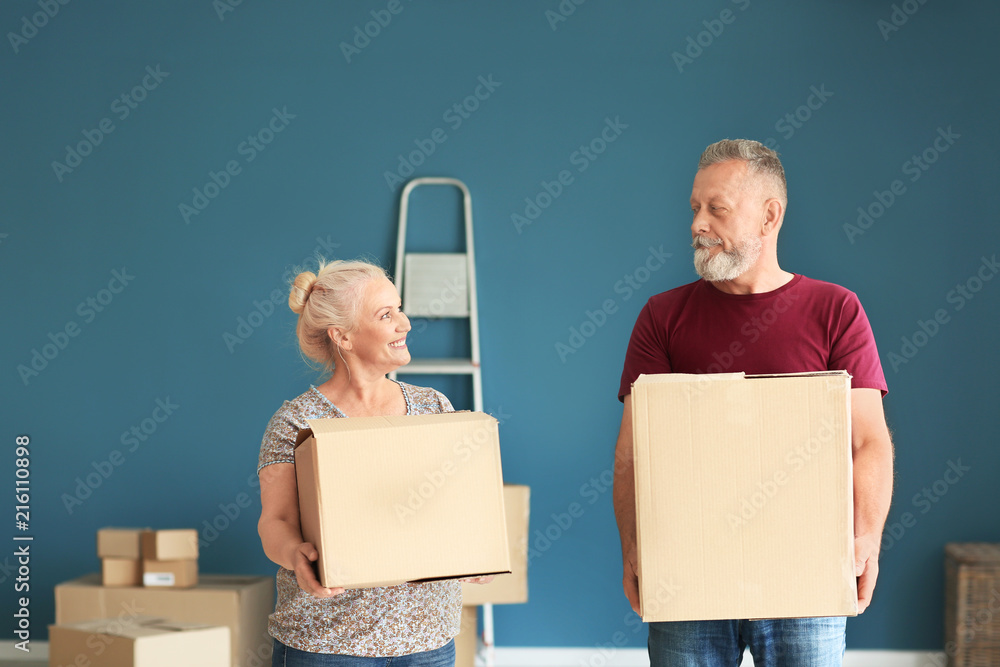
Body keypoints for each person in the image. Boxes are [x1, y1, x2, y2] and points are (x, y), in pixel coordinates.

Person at [612, 139, 894, 666]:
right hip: (688, 570)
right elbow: (634, 450)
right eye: (695, 208)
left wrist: (866, 538)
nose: (697, 223)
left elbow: (867, 441)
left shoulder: (835, 310)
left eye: (716, 209)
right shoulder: (662, 316)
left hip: (805, 573)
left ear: (770, 216)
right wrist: (634, 545)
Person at [257, 258, 489, 666]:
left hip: (428, 643)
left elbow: (454, 509)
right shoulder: (297, 421)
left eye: (400, 308)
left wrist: (474, 552)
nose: (405, 323)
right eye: (386, 314)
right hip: (328, 645)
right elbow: (275, 522)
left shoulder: (433, 407)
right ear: (342, 336)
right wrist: (296, 554)